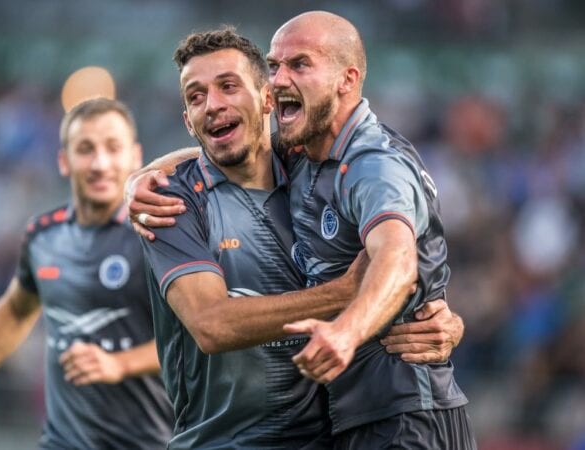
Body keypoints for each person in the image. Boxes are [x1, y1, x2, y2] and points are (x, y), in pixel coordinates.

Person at [131, 14, 475, 448]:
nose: (213, 105)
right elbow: (211, 325)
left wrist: (426, 316)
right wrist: (137, 179)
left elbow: (399, 258)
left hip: (391, 418)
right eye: (196, 96)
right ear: (187, 119)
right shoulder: (173, 203)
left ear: (265, 101)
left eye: (228, 86)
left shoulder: (367, 163)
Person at [0, 98, 173, 450]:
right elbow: (16, 311)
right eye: (85, 149)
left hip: (147, 441)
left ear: (136, 157)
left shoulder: (157, 234)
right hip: (61, 442)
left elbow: (193, 337)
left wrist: (120, 364)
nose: (100, 163)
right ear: (64, 161)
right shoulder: (43, 235)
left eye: (113, 148)